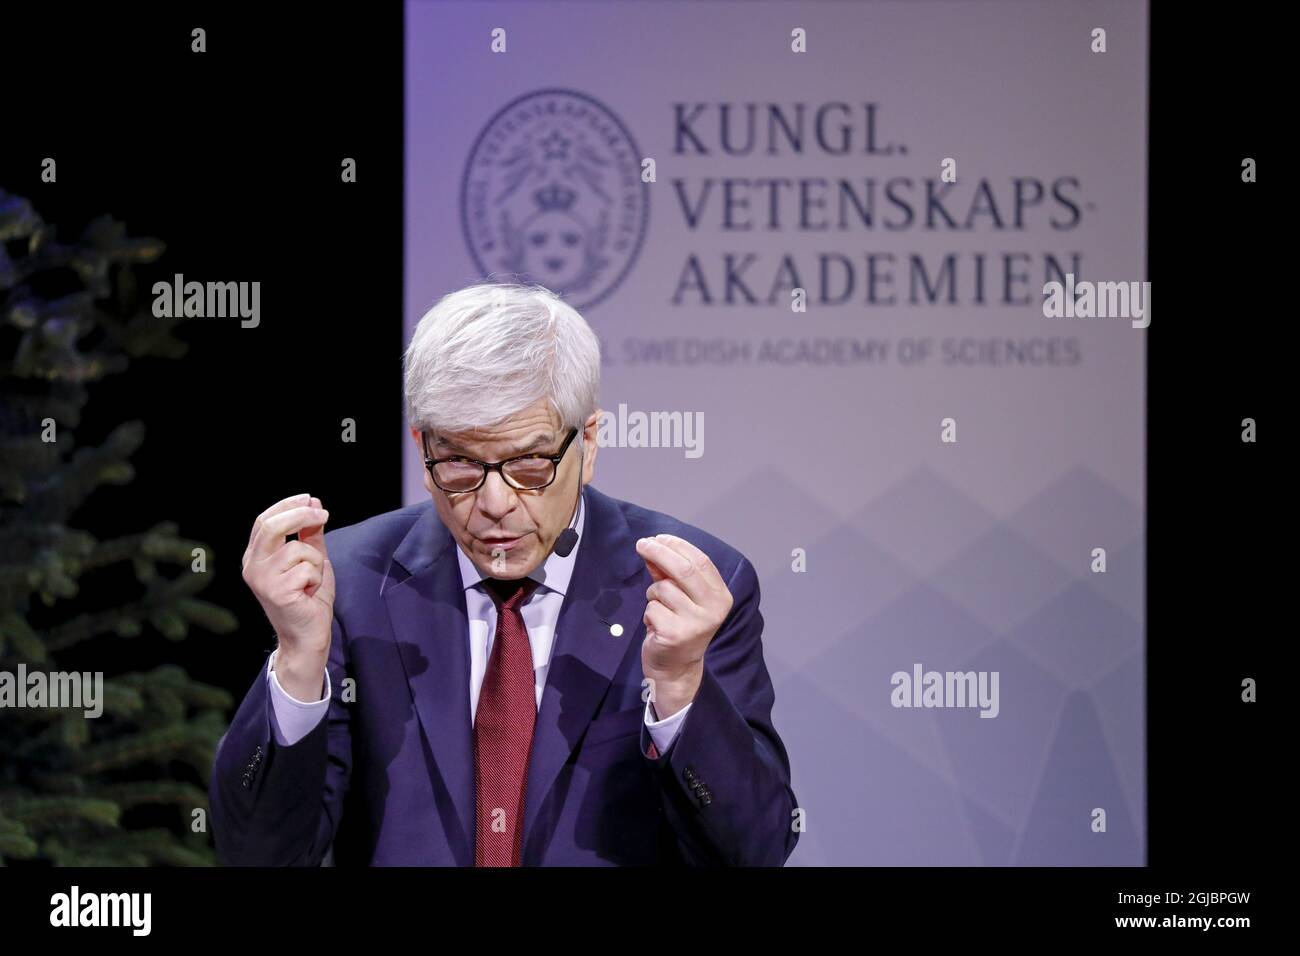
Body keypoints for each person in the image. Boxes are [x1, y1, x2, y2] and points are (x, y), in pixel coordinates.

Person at [209, 280, 798, 866]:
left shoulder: (689, 588)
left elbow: (755, 851)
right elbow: (260, 855)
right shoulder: (349, 586)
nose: (494, 503)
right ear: (423, 449)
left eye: (529, 463)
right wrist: (297, 658)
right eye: (461, 463)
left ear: (588, 443)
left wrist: (679, 688)